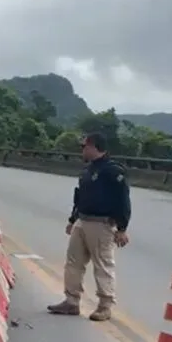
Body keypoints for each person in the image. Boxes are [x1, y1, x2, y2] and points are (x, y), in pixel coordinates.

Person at [47, 132, 131, 321]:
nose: (81, 150)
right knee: (73, 263)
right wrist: (72, 220)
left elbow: (123, 200)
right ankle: (71, 301)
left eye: (83, 146)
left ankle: (105, 305)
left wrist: (122, 228)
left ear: (94, 146)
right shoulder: (86, 171)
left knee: (102, 265)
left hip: (102, 223)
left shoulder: (113, 171)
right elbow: (79, 198)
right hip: (82, 220)